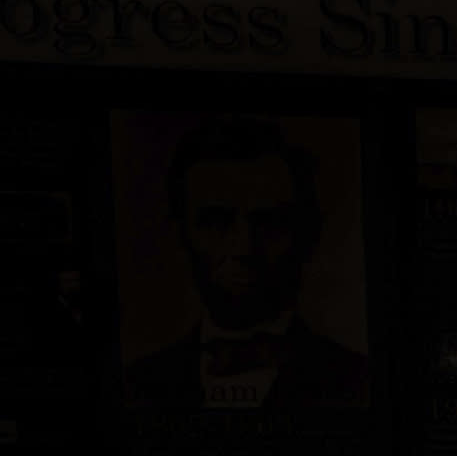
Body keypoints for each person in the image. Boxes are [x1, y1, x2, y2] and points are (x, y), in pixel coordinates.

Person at [123, 114, 369, 409]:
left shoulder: (360, 381)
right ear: (180, 235)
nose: (244, 247)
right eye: (216, 222)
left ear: (308, 235)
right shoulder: (136, 385)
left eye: (269, 223)